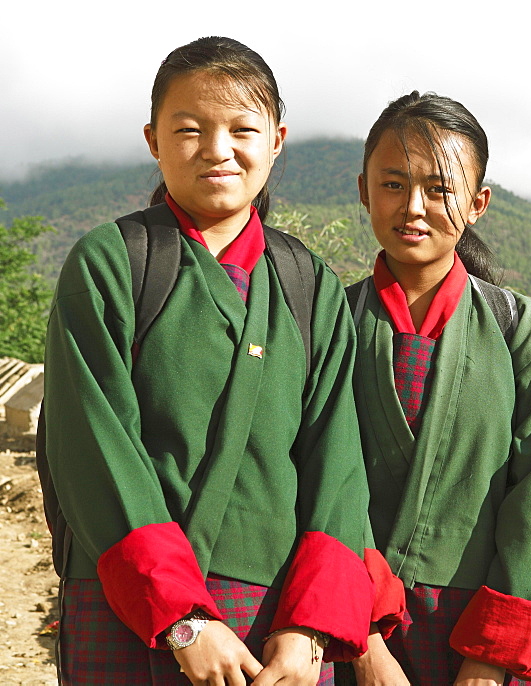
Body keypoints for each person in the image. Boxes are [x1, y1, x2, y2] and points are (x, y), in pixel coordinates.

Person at [43, 36, 378, 685]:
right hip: (130, 603)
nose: (218, 149)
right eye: (190, 129)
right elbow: (92, 449)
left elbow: (339, 470)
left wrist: (307, 631)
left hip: (275, 620)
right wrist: (184, 621)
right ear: (152, 139)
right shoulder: (112, 263)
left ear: (276, 140)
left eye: (242, 129)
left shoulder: (311, 285)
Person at [346, 91, 531, 685]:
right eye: (393, 185)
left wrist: (493, 654)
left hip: (477, 629)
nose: (413, 207)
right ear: (364, 189)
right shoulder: (330, 323)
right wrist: (365, 645)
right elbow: (314, 484)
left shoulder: (516, 329)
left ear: (477, 203)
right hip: (350, 626)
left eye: (440, 189)